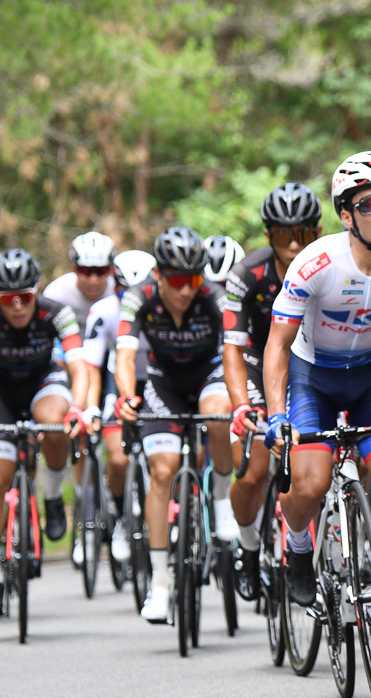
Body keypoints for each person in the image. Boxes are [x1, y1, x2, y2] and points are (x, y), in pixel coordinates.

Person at [263, 151, 371, 650]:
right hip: (312, 376)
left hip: (370, 376)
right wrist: (277, 416)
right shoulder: (316, 263)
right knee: (311, 482)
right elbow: (276, 347)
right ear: (346, 215)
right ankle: (299, 547)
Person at [0, 249, 89, 617]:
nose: (16, 307)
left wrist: (79, 405)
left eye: (24, 298)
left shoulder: (55, 312)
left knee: (55, 423)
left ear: (36, 291)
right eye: (7, 300)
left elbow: (79, 366)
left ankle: (51, 495)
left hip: (43, 383)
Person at [114, 227, 233, 624]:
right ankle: (161, 582)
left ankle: (221, 499)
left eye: (194, 279)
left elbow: (235, 351)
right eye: (178, 280)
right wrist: (127, 395)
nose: (186, 290)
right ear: (159, 276)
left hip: (209, 376)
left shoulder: (213, 297)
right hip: (162, 382)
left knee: (218, 414)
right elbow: (126, 356)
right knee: (162, 470)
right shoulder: (138, 297)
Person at [224, 182, 322, 600]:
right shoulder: (245, 275)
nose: (295, 244)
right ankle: (248, 548)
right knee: (252, 472)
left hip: (311, 364)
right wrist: (242, 405)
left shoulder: (330, 264)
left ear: (317, 233)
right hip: (256, 365)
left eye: (303, 233)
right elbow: (232, 348)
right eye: (285, 235)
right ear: (269, 237)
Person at [79, 249, 157, 566]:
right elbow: (91, 367)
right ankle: (122, 515)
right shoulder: (103, 312)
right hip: (117, 380)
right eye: (126, 291)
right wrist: (89, 407)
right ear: (115, 287)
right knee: (118, 458)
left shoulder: (164, 308)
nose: (134, 298)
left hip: (157, 380)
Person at [39, 232, 118, 538]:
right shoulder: (57, 293)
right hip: (67, 361)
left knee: (112, 429)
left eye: (101, 271)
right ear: (75, 269)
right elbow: (49, 347)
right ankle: (85, 501)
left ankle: (115, 493)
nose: (94, 279)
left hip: (107, 361)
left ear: (111, 271)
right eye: (87, 271)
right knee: (77, 427)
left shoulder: (118, 289)